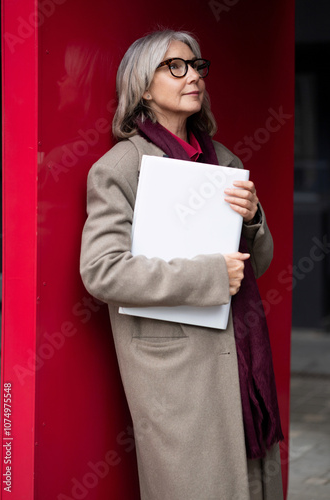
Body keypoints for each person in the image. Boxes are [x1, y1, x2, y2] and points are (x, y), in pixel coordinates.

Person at [80, 29, 284, 500]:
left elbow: (260, 264)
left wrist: (253, 218)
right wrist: (210, 275)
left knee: (251, 485)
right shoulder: (120, 168)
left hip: (240, 359)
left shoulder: (224, 161)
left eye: (196, 66)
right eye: (176, 66)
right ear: (144, 87)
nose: (193, 75)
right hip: (174, 372)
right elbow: (102, 270)